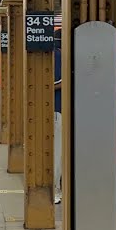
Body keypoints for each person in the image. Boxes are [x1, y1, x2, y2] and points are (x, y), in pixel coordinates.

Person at [53, 39, 63, 205]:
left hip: (56, 111)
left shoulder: (55, 56)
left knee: (56, 152)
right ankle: (56, 189)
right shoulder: (61, 56)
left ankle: (55, 189)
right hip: (60, 110)